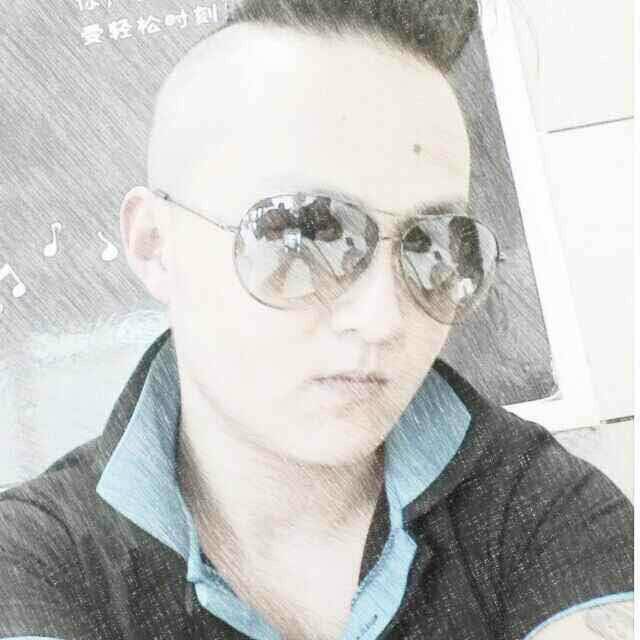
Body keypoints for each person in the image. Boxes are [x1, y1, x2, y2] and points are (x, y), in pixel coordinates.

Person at [0, 1, 633, 638]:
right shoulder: (33, 562)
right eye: (303, 235)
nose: (383, 317)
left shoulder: (544, 510)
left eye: (435, 246)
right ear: (155, 245)